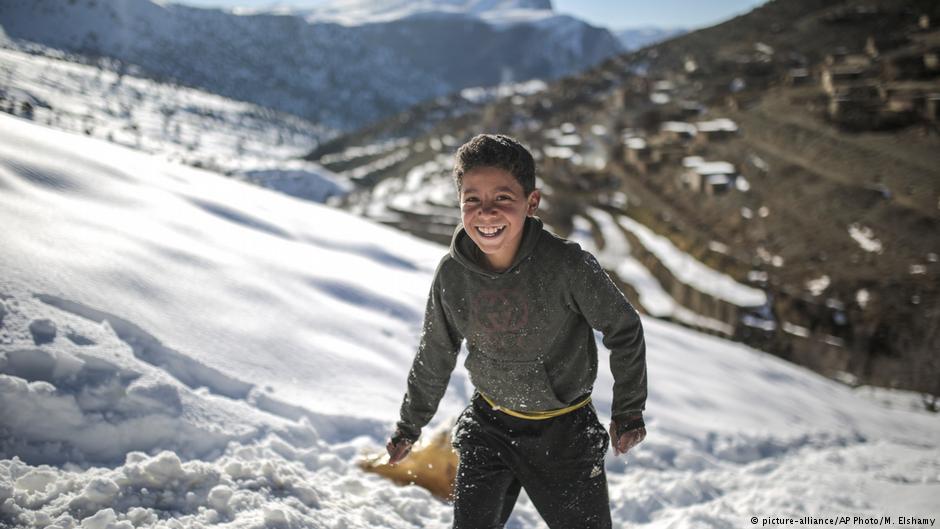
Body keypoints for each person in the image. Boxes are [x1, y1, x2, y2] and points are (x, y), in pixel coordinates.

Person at [387, 133, 647, 529]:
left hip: (565, 433)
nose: (486, 213)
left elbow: (624, 329)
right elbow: (436, 351)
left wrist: (628, 412)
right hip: (488, 425)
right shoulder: (453, 275)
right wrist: (409, 424)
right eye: (472, 200)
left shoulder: (567, 266)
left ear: (532, 202)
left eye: (503, 199)